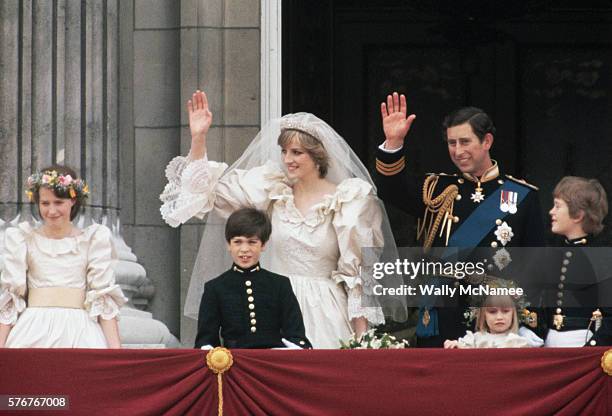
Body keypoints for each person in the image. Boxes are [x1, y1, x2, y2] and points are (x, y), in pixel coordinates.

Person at [161, 91, 404, 348]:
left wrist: (361, 341)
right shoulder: (271, 190)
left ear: (317, 156)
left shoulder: (348, 200)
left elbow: (356, 278)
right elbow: (208, 192)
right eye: (284, 151)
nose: (287, 159)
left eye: (297, 152)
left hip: (325, 312)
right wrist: (199, 138)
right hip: (271, 306)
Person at [374, 92, 546, 347]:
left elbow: (537, 266)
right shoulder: (438, 189)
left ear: (486, 141)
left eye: (465, 142)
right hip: (446, 314)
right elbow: (391, 190)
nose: (458, 151)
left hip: (496, 317)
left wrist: (527, 321)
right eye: (452, 143)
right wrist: (393, 143)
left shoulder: (521, 196)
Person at [0, 166, 127, 348]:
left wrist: (117, 356)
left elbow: (103, 298)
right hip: (33, 331)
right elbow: (11, 300)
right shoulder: (23, 239)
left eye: (58, 202)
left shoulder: (92, 240)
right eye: (45, 203)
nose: (51, 211)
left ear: (73, 201)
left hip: (81, 333)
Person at [195, 208, 311, 349]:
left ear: (263, 244)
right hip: (233, 364)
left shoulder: (280, 285)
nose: (244, 249)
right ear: (228, 245)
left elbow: (296, 336)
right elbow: (206, 341)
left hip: (272, 363)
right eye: (238, 242)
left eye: (252, 242)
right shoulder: (215, 288)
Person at [542, 176, 612, 347]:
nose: (551, 211)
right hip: (548, 343)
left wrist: (591, 348)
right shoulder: (553, 255)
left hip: (581, 346)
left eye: (558, 206)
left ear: (578, 215)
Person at [444, 295, 531, 348]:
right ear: (483, 315)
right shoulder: (474, 340)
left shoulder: (519, 342)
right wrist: (455, 346)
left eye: (505, 311)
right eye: (492, 312)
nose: (499, 317)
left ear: (513, 314)